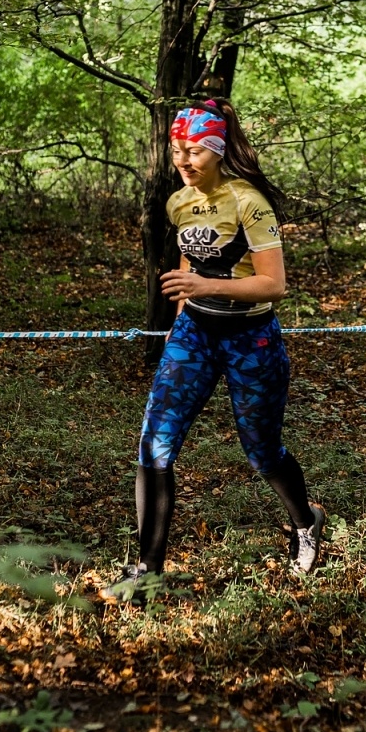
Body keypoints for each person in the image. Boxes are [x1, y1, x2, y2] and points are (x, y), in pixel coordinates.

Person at [104, 98, 325, 605]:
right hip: (195, 335)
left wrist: (203, 287)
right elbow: (192, 262)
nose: (182, 159)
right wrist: (185, 317)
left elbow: (274, 285)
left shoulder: (249, 202)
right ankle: (147, 572)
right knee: (154, 444)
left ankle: (306, 523)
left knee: (261, 451)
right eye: (176, 149)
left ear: (218, 150)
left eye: (194, 150)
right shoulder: (179, 202)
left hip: (253, 339)